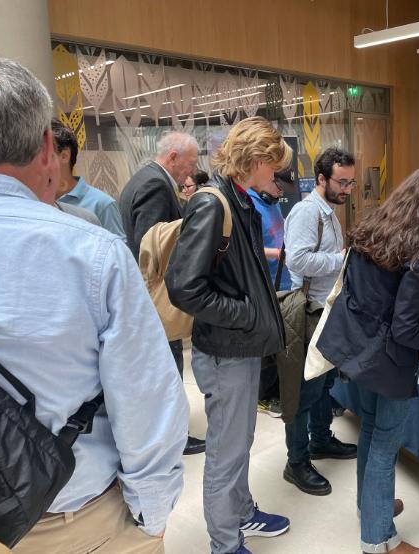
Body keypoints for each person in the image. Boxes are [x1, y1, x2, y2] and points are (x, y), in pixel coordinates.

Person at [0, 55, 189, 553]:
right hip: (71, 520)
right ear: (50, 146)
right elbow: (146, 403)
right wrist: (152, 513)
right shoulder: (91, 253)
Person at [316, 164, 419, 554]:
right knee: (385, 446)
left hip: (359, 351)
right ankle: (378, 539)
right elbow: (406, 330)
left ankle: (371, 508)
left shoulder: (370, 231)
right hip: (388, 362)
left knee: (371, 432)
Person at [165, 116, 293, 554]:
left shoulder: (241, 200)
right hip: (226, 350)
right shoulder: (212, 203)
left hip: (241, 347)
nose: (275, 174)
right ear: (256, 160)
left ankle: (240, 514)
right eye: (273, 166)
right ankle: (225, 542)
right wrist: (243, 313)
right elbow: (184, 286)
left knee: (240, 443)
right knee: (225, 452)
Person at [118, 131, 205, 456]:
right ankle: (172, 438)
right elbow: (150, 243)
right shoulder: (155, 184)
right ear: (173, 158)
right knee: (167, 368)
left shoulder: (143, 178)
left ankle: (166, 433)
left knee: (162, 367)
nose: (191, 172)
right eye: (191, 163)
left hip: (146, 294)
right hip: (155, 297)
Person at [282, 147, 358, 496]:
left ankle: (321, 440)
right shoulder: (306, 211)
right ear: (322, 179)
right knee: (305, 390)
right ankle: (295, 461)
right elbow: (297, 261)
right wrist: (340, 260)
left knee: (325, 384)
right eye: (341, 182)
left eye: (351, 183)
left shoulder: (329, 212)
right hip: (309, 312)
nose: (347, 189)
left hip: (329, 311)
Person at [248, 166, 293, 418]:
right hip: (266, 284)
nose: (280, 193)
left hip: (284, 281)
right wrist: (277, 254)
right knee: (268, 345)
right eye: (277, 187)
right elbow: (250, 247)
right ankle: (264, 397)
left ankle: (276, 390)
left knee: (282, 342)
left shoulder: (273, 202)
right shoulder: (251, 204)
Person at [51, 119, 126, 240]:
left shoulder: (102, 204)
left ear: (64, 156)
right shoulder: (35, 201)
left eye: (43, 154)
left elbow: (119, 253)